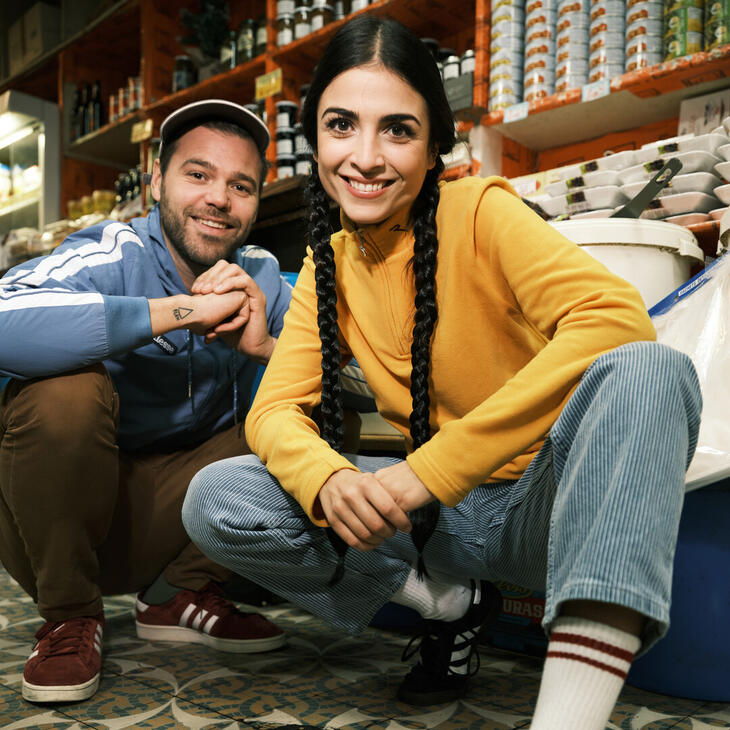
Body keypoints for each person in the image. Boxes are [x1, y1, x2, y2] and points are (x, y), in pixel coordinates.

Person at [181, 17, 702, 730]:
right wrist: (331, 480)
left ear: (432, 148)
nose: (364, 157)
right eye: (341, 125)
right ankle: (447, 606)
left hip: (541, 511)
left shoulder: (481, 209)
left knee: (651, 370)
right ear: (315, 140)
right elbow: (273, 412)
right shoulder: (326, 267)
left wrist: (428, 473)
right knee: (219, 495)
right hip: (434, 529)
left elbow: (614, 319)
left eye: (396, 129)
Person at [0, 99, 292, 704]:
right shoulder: (112, 252)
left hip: (165, 517)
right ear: (157, 180)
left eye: (241, 185)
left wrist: (265, 347)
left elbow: (366, 375)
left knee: (309, 408)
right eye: (198, 174)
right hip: (50, 528)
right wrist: (183, 312)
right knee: (62, 391)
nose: (219, 198)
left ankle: (178, 595)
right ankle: (69, 617)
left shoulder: (262, 275)